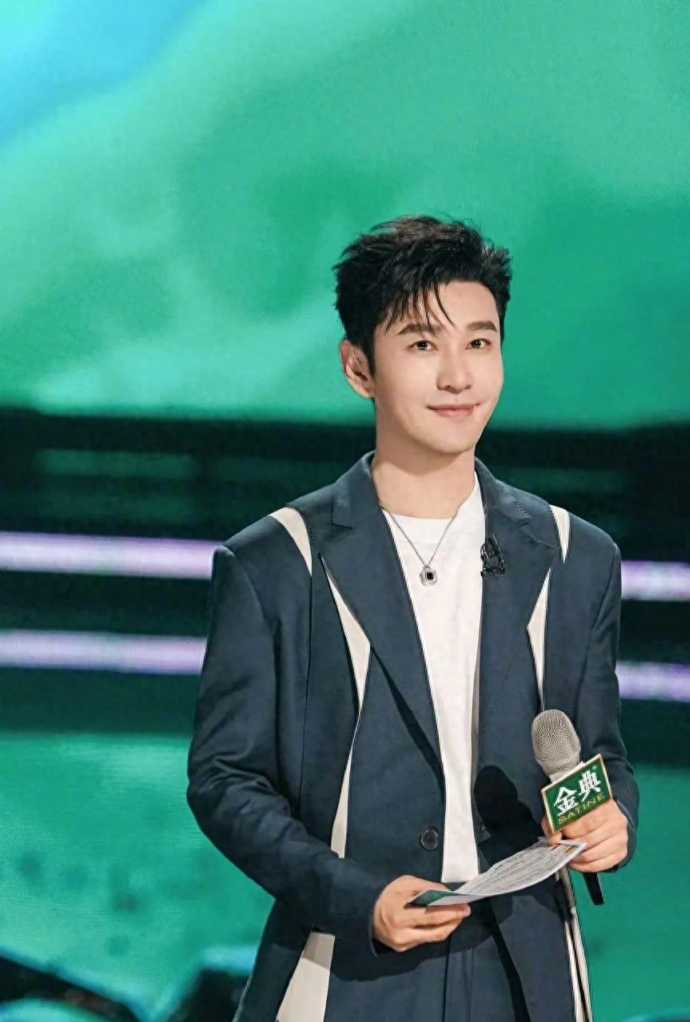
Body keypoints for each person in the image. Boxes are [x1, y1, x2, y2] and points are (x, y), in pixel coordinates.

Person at [186, 214, 639, 1022]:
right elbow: (225, 779)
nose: (459, 375)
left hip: (527, 970)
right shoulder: (276, 561)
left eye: (480, 342)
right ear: (359, 367)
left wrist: (612, 821)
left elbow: (596, 749)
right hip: (347, 966)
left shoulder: (578, 556)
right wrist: (354, 894)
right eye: (423, 345)